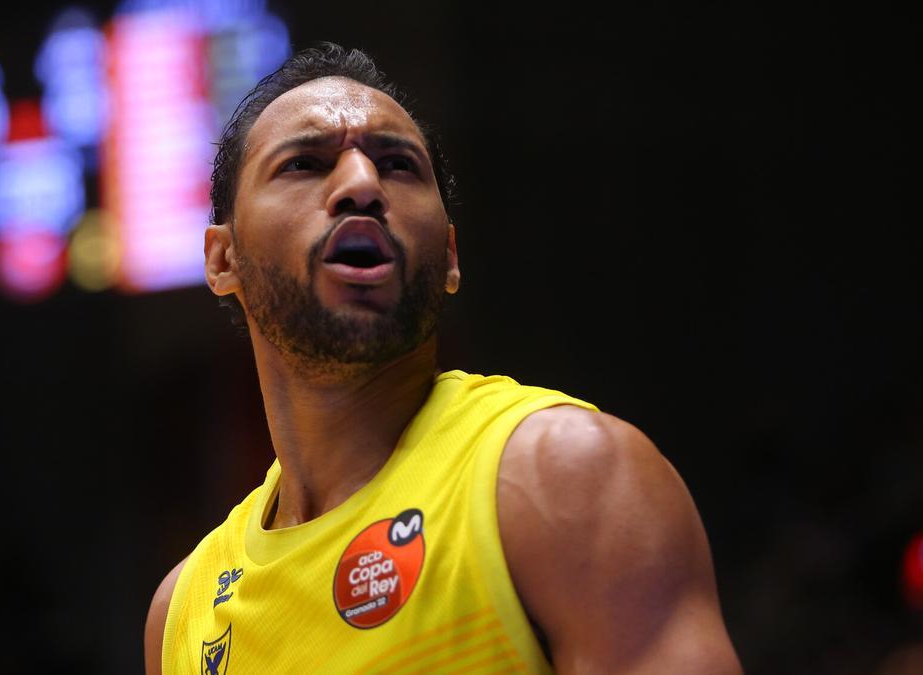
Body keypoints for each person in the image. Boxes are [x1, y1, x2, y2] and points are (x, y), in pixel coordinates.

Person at [144, 41, 741, 674]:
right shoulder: (183, 613)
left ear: (450, 256)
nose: (362, 185)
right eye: (304, 163)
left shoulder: (568, 475)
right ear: (222, 259)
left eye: (398, 165)